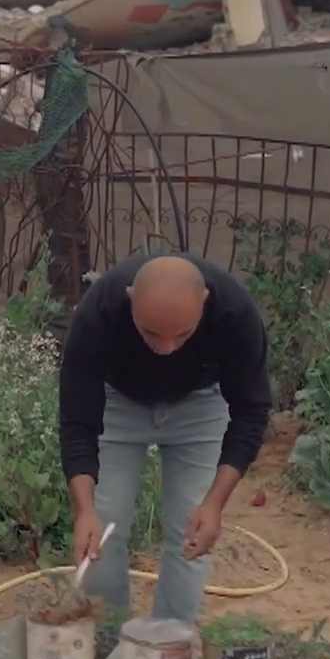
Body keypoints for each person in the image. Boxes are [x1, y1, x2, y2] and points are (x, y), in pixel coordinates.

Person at [57, 252, 273, 626]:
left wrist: (215, 504)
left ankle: (168, 647)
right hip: (118, 403)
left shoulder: (235, 313)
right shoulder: (99, 312)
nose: (167, 348)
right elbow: (78, 422)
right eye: (152, 333)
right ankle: (109, 641)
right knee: (104, 526)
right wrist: (84, 510)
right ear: (129, 300)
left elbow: (251, 414)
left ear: (205, 302)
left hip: (201, 405)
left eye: (184, 334)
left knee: (192, 528)